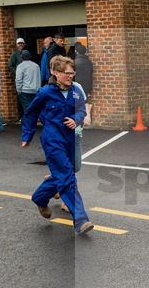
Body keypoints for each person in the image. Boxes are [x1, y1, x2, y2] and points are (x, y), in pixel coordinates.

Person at [21, 55, 94, 235]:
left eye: (72, 72)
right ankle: (81, 219)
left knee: (65, 172)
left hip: (70, 138)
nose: (71, 76)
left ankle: (40, 197)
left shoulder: (75, 91)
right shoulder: (45, 92)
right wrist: (27, 136)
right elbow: (31, 114)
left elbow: (82, 111)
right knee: (67, 176)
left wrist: (76, 120)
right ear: (55, 72)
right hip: (53, 138)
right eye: (67, 73)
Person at [72, 42, 93, 173]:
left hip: (79, 86)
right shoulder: (89, 62)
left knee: (80, 103)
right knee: (85, 102)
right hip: (87, 86)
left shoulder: (75, 63)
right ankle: (86, 118)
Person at [15, 49, 40, 116]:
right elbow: (39, 78)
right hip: (35, 90)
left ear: (21, 57)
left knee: (27, 109)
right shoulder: (36, 66)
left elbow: (18, 79)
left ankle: (29, 125)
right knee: (35, 108)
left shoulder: (20, 66)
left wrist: (19, 89)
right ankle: (33, 124)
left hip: (25, 91)